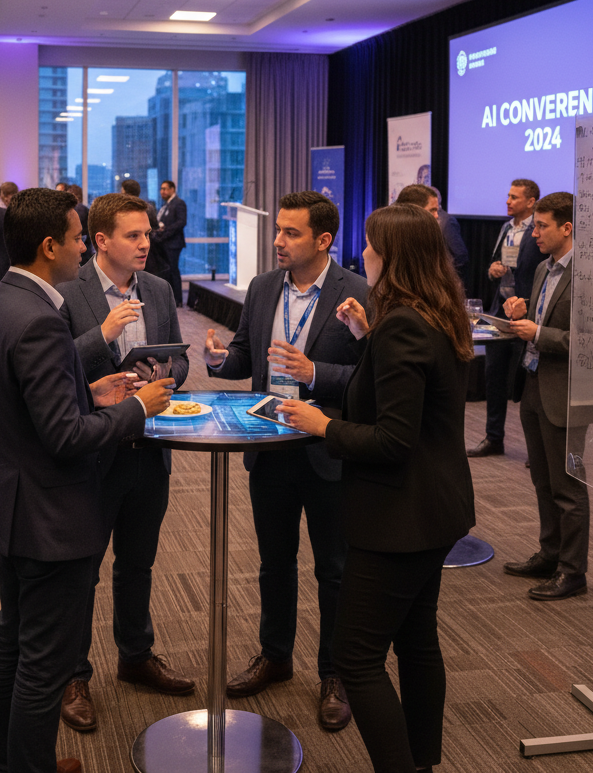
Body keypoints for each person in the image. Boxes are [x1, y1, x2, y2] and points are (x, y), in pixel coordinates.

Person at [0, 187, 175, 773]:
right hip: (48, 516)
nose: (84, 248)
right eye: (79, 238)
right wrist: (135, 409)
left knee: (12, 642)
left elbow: (21, 402)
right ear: (49, 246)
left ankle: (8, 760)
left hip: (11, 505)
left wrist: (88, 391)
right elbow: (65, 436)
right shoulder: (39, 317)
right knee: (43, 665)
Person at [275, 202, 476, 773]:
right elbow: (409, 397)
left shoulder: (404, 325)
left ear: (392, 256)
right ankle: (421, 762)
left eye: (370, 245)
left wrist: (323, 425)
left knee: (356, 659)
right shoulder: (437, 313)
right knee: (416, 642)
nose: (362, 253)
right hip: (436, 509)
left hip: (399, 518)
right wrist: (368, 338)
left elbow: (393, 439)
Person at [204, 190, 369, 731]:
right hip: (268, 444)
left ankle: (335, 674)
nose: (277, 240)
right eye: (278, 229)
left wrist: (314, 373)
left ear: (323, 240)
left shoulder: (357, 292)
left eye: (291, 233)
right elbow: (245, 356)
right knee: (274, 562)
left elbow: (372, 376)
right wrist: (219, 360)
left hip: (326, 449)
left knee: (334, 569)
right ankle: (275, 656)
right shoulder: (262, 286)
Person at [57, 193, 193, 733]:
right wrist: (104, 335)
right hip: (93, 452)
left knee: (138, 563)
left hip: (149, 447)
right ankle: (73, 675)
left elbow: (179, 358)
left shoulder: (157, 288)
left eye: (147, 234)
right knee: (82, 572)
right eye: (133, 235)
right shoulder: (68, 290)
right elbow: (55, 365)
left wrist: (165, 374)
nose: (145, 243)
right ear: (101, 241)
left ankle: (135, 656)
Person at [503, 191, 593, 601]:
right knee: (543, 480)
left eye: (542, 226)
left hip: (567, 393)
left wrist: (539, 333)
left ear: (567, 228)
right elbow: (545, 318)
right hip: (534, 384)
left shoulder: (591, 274)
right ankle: (550, 555)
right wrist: (521, 314)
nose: (535, 234)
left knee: (568, 485)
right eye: (534, 227)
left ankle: (572, 571)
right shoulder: (543, 269)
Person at [468, 179, 542, 458]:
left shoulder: (538, 230)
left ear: (531, 201)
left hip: (528, 312)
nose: (508, 201)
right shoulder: (505, 228)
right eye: (508, 196)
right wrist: (493, 270)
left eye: (514, 197)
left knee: (530, 382)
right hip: (500, 312)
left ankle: (536, 450)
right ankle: (493, 438)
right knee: (493, 376)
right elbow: (494, 263)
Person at [394, 185, 468, 279]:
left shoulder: (445, 223)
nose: (436, 215)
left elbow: (460, 255)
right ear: (415, 210)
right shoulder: (394, 236)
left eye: (437, 210)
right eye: (432, 210)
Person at [121, 178, 167, 279]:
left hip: (127, 248)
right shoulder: (147, 207)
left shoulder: (121, 209)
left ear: (125, 192)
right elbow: (155, 226)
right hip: (147, 248)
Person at [155, 180, 186, 307]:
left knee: (173, 270)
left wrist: (165, 232)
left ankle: (177, 299)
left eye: (165, 189)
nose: (163, 192)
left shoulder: (179, 203)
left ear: (173, 189)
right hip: (163, 243)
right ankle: (169, 298)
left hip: (173, 243)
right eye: (161, 189)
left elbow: (181, 222)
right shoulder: (165, 205)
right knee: (166, 271)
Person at [432, 188, 469, 280]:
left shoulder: (447, 221)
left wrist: (446, 274)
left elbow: (460, 254)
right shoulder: (420, 221)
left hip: (442, 279)